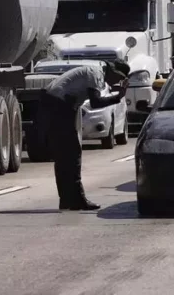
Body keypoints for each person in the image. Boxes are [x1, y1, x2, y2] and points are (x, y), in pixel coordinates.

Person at [41, 59, 130, 210]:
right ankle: (77, 199)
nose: (118, 81)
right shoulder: (95, 75)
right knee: (72, 154)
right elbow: (96, 102)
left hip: (55, 103)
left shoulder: (95, 73)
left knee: (64, 156)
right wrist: (118, 97)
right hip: (59, 105)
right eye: (119, 78)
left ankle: (67, 199)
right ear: (113, 72)